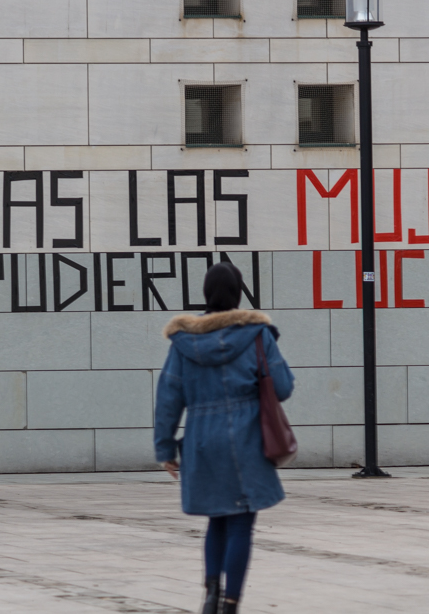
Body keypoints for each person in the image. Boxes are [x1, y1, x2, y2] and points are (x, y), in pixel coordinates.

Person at [154, 262, 295, 614]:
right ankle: (230, 603)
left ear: (205, 294)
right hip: (246, 438)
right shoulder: (256, 335)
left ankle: (210, 593)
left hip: (201, 439)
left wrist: (165, 447)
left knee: (216, 518)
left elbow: (168, 398)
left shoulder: (183, 342)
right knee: (241, 523)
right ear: (237, 294)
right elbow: (282, 387)